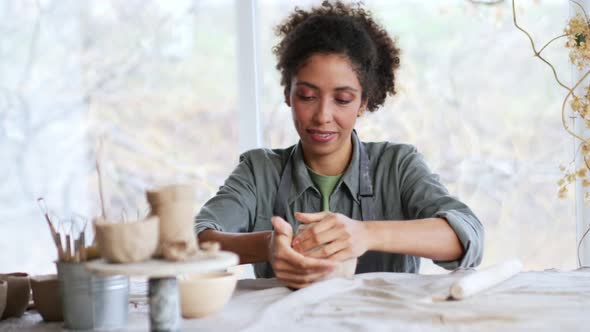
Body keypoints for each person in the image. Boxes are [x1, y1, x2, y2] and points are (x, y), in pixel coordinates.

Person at [196, 0, 484, 289]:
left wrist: (366, 234)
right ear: (287, 94)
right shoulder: (259, 171)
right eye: (307, 96)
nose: (323, 116)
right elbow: (196, 240)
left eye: (343, 100)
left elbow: (467, 236)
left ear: (363, 102)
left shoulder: (397, 165)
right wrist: (268, 245)